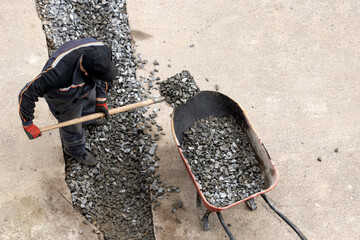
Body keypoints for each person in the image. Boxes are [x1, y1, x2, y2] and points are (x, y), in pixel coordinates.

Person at [18, 38, 118, 166]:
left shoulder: (102, 50)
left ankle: (87, 120)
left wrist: (101, 100)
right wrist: (28, 123)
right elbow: (26, 94)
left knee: (90, 103)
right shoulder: (56, 74)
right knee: (72, 126)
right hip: (63, 98)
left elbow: (104, 78)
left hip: (86, 88)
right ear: (86, 73)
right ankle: (75, 151)